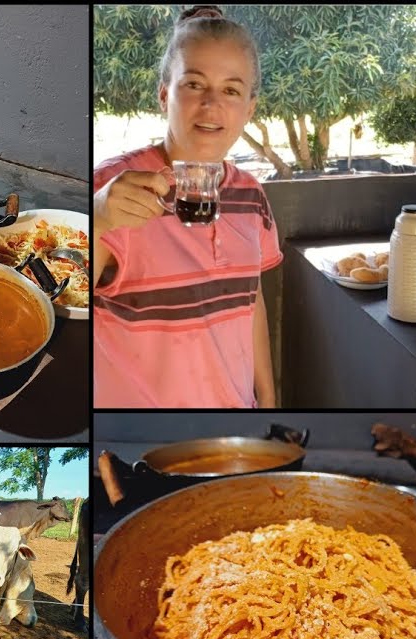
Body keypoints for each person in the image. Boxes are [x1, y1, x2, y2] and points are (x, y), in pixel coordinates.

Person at [93, 5, 282, 408]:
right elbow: (65, 294)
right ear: (165, 95)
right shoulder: (113, 187)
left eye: (231, 90)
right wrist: (98, 216)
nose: (212, 105)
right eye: (194, 84)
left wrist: (266, 400)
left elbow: (251, 303)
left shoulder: (252, 196)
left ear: (249, 108)